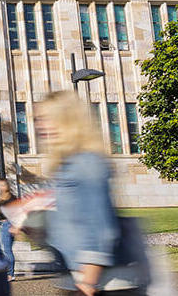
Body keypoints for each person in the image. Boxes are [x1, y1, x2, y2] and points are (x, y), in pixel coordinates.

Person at [37, 90, 127, 296]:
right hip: (76, 278)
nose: (40, 126)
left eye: (46, 119)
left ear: (66, 120)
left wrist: (88, 283)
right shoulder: (67, 164)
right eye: (38, 119)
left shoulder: (86, 162)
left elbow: (101, 226)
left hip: (97, 284)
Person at [0, 177, 17, 282]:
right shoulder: (2, 197)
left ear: (7, 186)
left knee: (7, 250)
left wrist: (14, 225)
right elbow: (1, 212)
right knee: (6, 250)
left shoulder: (12, 198)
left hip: (9, 224)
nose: (1, 187)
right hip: (4, 224)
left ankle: (10, 274)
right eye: (0, 185)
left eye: (3, 185)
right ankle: (8, 273)